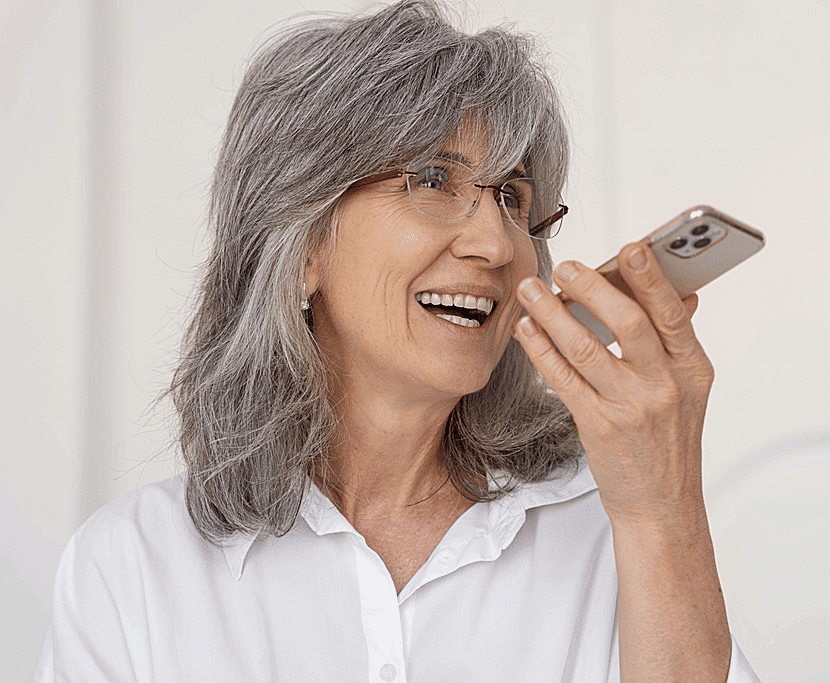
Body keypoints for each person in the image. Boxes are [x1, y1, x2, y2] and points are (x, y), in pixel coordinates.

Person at [34, 1, 760, 681]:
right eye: (434, 178)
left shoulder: (618, 526)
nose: (496, 243)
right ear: (304, 244)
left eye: (512, 196)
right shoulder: (130, 567)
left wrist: (662, 514)